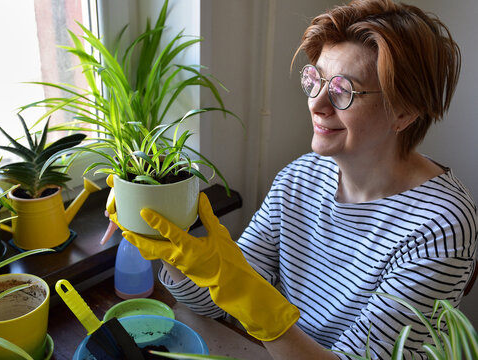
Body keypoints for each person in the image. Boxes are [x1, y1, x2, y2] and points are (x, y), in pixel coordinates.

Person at [108, 0, 478, 358]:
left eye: (343, 90)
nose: (317, 103)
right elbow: (211, 304)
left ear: (404, 112)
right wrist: (169, 243)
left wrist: (260, 310)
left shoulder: (441, 226)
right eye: (316, 80)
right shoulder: (301, 177)